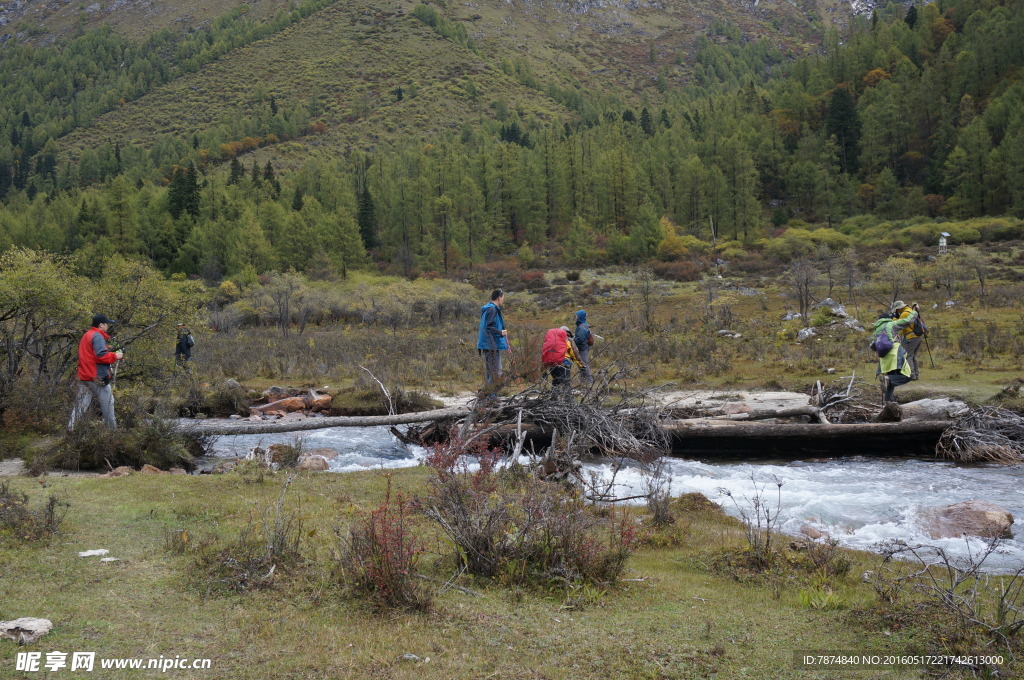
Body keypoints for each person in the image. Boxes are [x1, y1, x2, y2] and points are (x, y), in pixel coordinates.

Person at [67, 314, 123, 430]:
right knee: (108, 403)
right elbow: (101, 355)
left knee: (80, 406)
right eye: (107, 324)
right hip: (96, 377)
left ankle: (70, 430)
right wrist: (115, 355)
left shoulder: (87, 335)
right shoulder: (97, 336)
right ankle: (112, 434)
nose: (108, 326)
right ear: (101, 325)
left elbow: (92, 355)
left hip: (84, 376)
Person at [871, 303, 919, 403]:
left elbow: (873, 346)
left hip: (884, 358)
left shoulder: (876, 331)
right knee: (907, 375)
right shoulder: (891, 324)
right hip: (895, 353)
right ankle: (888, 379)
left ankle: (889, 402)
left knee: (891, 378)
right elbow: (907, 321)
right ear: (888, 318)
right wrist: (914, 311)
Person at [476, 289, 508, 390]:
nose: (503, 299)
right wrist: (500, 332)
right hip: (491, 345)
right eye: (502, 297)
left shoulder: (489, 309)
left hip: (487, 344)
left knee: (491, 372)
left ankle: (488, 395)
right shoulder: (492, 309)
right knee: (495, 372)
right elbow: (489, 327)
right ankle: (489, 395)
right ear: (499, 297)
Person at [890, 300, 924, 380]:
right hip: (917, 336)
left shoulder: (905, 313)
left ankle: (911, 375)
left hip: (911, 337)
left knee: (908, 356)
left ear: (899, 308)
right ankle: (916, 374)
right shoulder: (910, 311)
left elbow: (898, 323)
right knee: (913, 356)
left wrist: (893, 318)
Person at [573, 310, 595, 384]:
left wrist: (573, 339)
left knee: (584, 364)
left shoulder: (582, 327)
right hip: (583, 348)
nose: (575, 318)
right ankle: (584, 381)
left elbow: (580, 339)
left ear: (579, 317)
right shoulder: (582, 325)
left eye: (576, 316)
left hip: (582, 348)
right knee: (582, 364)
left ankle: (589, 381)